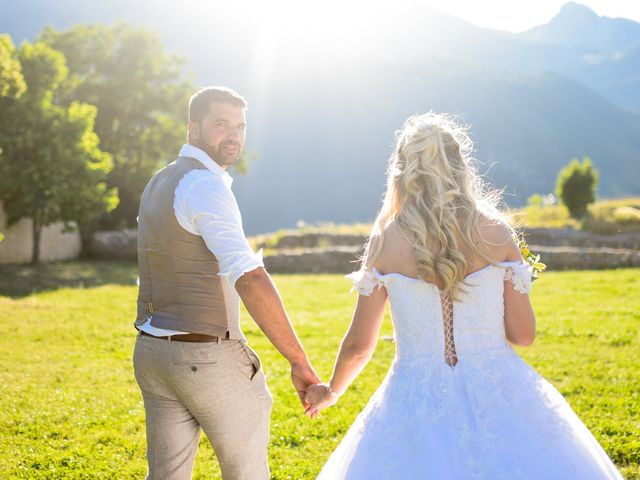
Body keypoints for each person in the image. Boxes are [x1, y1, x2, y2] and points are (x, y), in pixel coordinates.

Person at [304, 112, 623, 479]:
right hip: (498, 386)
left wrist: (332, 390)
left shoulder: (385, 240)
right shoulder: (497, 233)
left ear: (403, 170)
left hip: (414, 392)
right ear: (460, 167)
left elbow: (360, 344)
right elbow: (523, 335)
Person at [132, 86, 319, 480]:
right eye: (220, 124)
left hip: (153, 353)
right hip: (206, 357)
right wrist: (299, 362)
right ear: (192, 130)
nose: (233, 135)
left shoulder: (159, 181)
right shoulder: (203, 185)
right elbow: (249, 277)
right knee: (247, 473)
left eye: (240, 126)